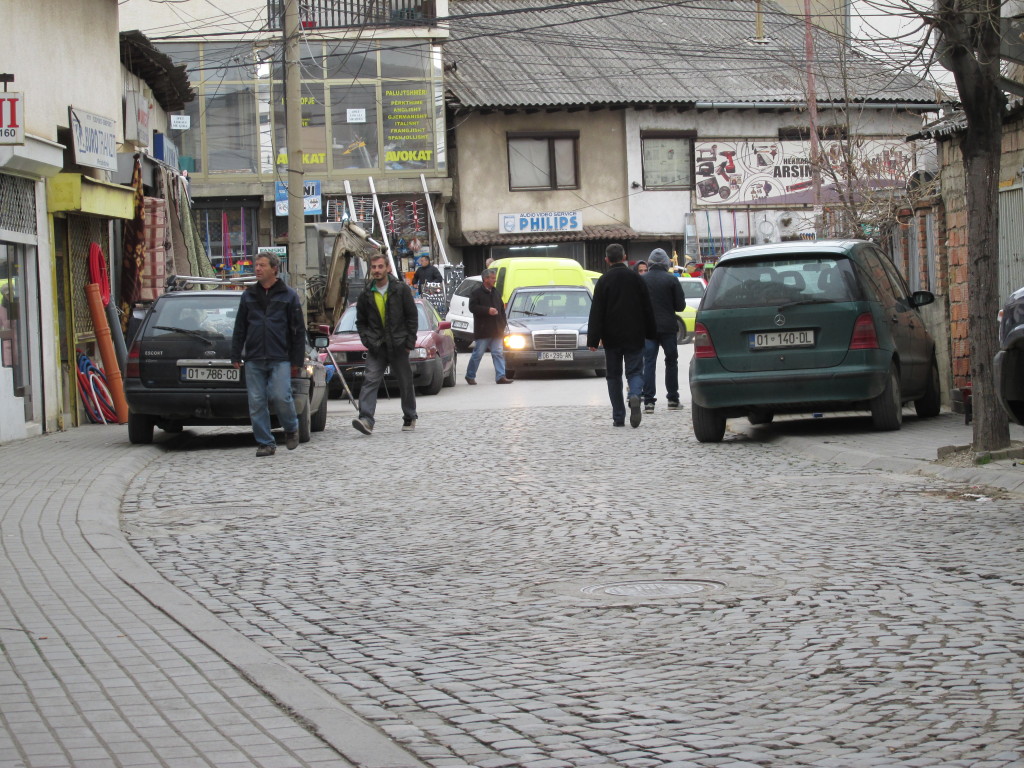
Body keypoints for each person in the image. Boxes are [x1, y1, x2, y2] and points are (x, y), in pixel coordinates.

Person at [231, 253, 306, 457]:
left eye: (262, 265)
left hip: (280, 355)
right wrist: (236, 354)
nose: (257, 269)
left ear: (275, 269)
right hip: (254, 356)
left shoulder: (288, 295)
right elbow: (240, 327)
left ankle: (291, 428)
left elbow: (298, 330)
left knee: (281, 396)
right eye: (256, 265)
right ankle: (265, 442)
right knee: (256, 401)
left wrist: (297, 360)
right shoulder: (249, 295)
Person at [587, 243, 655, 428]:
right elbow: (647, 307)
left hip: (612, 337)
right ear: (625, 257)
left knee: (614, 376)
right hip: (635, 335)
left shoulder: (603, 281)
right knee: (634, 371)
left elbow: (597, 311)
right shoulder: (636, 279)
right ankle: (634, 394)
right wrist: (651, 332)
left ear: (607, 260)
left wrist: (593, 339)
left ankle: (618, 417)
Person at [352, 253, 419, 435]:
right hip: (377, 346)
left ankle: (409, 416)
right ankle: (366, 419)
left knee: (405, 382)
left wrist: (409, 342)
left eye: (380, 267)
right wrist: (367, 340)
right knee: (370, 380)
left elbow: (412, 316)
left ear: (388, 268)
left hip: (399, 344)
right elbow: (361, 321)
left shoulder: (401, 289)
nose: (377, 270)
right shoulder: (366, 293)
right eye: (374, 267)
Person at [641, 248, 686, 413]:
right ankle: (673, 399)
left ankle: (648, 402)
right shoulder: (672, 280)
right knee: (671, 362)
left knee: (649, 363)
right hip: (668, 327)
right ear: (667, 263)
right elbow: (680, 306)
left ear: (649, 263)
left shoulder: (642, 279)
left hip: (648, 328)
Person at [465, 268, 513, 385]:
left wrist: (503, 325)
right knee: (478, 354)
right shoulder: (476, 293)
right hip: (483, 330)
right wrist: (487, 310)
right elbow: (472, 308)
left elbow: (502, 310)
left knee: (498, 353)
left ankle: (501, 376)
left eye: (495, 278)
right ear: (485, 279)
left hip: (497, 330)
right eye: (492, 278)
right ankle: (470, 375)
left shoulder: (496, 293)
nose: (494, 281)